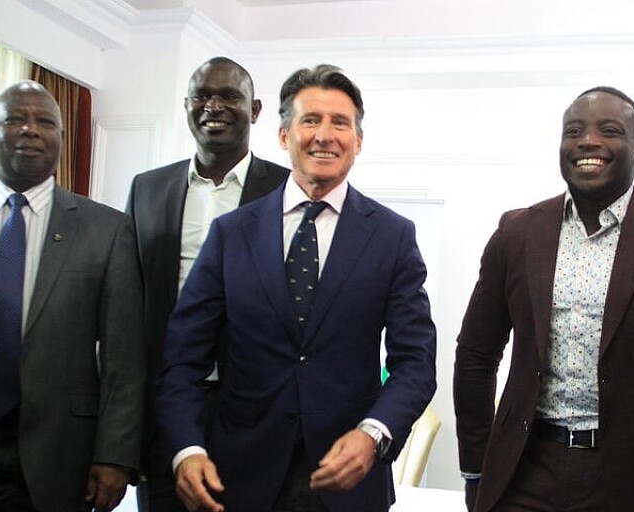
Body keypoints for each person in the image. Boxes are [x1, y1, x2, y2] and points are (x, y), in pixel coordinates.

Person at [155, 64, 437, 512]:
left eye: (340, 122)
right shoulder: (232, 233)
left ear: (358, 141)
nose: (324, 135)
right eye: (310, 120)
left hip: (349, 485)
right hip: (236, 480)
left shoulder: (392, 236)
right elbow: (182, 358)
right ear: (284, 135)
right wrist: (186, 448)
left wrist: (373, 434)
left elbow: (416, 363)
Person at [454, 86, 634, 511]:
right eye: (574, 131)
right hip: (525, 472)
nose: (588, 141)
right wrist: (475, 467)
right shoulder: (518, 232)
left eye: (610, 130)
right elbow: (476, 353)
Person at [0, 80, 145, 511]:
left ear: (62, 137)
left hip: (59, 448)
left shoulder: (107, 229)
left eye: (45, 122)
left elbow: (125, 355)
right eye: (14, 119)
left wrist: (115, 454)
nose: (30, 129)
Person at [126, 56, 290, 512]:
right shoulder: (147, 190)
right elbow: (129, 305)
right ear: (186, 106)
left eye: (229, 96)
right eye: (201, 96)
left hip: (258, 412)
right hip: (167, 407)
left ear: (254, 110)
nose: (213, 106)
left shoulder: (288, 191)